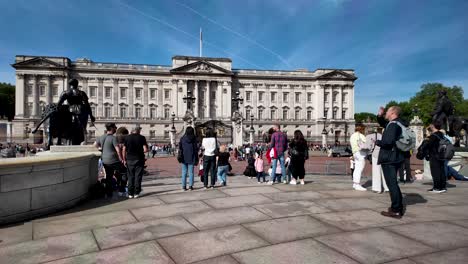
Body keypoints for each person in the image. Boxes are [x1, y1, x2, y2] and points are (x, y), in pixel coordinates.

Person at [376, 106, 405, 219]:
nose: (386, 113)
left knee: (391, 184)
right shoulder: (397, 123)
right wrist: (379, 115)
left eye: (387, 112)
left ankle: (396, 209)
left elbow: (388, 142)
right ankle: (398, 207)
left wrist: (378, 142)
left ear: (393, 113)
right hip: (395, 156)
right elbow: (383, 123)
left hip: (389, 157)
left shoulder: (393, 125)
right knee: (393, 183)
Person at [93, 123, 124, 198]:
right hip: (114, 160)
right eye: (115, 128)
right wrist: (121, 158)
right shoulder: (113, 138)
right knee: (121, 175)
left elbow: (95, 145)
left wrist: (102, 149)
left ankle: (109, 193)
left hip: (105, 160)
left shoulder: (101, 137)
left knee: (108, 177)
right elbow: (118, 149)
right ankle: (121, 189)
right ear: (112, 128)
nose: (116, 129)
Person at [123, 126, 148, 198]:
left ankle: (130, 193)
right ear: (137, 131)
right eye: (140, 130)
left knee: (130, 176)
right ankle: (137, 192)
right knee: (138, 176)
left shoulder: (127, 138)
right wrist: (140, 152)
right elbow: (145, 149)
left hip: (129, 159)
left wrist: (124, 159)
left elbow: (124, 149)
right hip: (139, 159)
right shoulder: (142, 137)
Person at [423, 120, 448, 193]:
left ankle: (436, 188)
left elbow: (428, 145)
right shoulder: (441, 134)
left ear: (433, 126)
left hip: (434, 155)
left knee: (435, 172)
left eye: (431, 125)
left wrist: (427, 138)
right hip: (442, 155)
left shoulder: (433, 136)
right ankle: (443, 187)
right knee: (441, 171)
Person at [366, 127, 389, 193]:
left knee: (376, 171)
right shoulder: (382, 135)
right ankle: (387, 188)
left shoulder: (369, 136)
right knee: (385, 171)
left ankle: (377, 188)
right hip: (385, 153)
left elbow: (368, 146)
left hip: (376, 153)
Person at [178, 127, 199, 191]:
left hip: (184, 157)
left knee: (184, 172)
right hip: (192, 157)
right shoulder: (194, 139)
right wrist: (196, 157)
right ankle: (190, 186)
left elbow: (180, 148)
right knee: (191, 172)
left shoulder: (182, 138)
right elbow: (196, 149)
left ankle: (184, 186)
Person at [349, 124, 368, 191]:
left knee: (356, 168)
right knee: (359, 169)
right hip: (360, 153)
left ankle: (355, 183)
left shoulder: (352, 136)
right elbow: (366, 144)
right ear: (361, 129)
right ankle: (357, 184)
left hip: (355, 152)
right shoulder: (361, 135)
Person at [115, 126, 129, 196]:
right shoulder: (127, 140)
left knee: (118, 174)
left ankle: (119, 186)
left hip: (116, 160)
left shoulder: (115, 139)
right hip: (124, 159)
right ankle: (122, 188)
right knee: (124, 174)